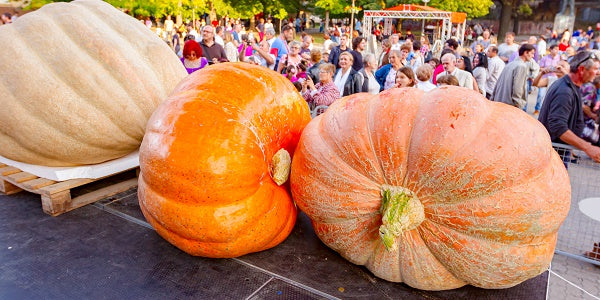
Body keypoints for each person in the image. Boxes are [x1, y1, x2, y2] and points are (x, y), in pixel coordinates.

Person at [538, 51, 600, 163]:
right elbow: (558, 127)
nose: (597, 73)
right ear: (581, 70)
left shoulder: (570, 86)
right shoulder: (565, 91)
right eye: (595, 69)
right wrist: (588, 147)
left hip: (559, 152)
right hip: (554, 155)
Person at [491, 44, 535, 108]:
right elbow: (518, 87)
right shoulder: (521, 66)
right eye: (532, 53)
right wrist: (517, 103)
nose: (533, 56)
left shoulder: (510, 64)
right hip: (509, 104)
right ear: (526, 53)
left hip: (499, 100)